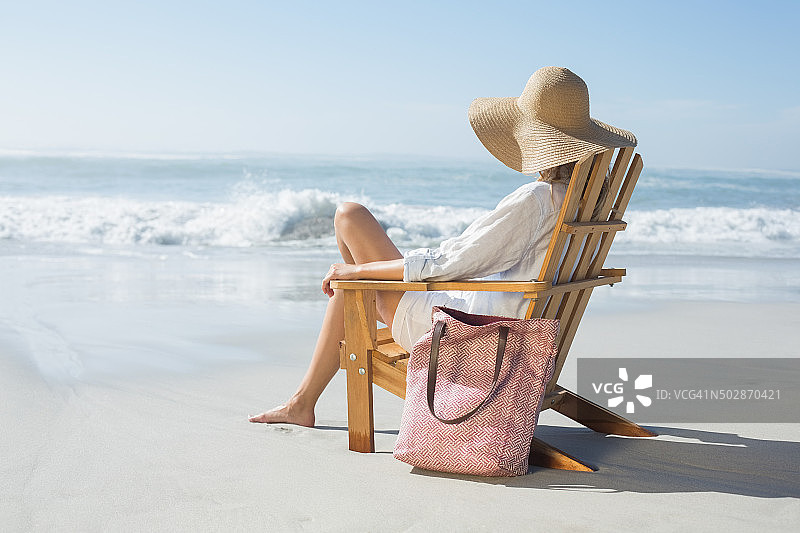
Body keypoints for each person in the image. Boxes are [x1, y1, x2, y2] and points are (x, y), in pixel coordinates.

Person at [249, 66, 636, 427]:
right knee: (356, 275)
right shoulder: (588, 206)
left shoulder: (538, 200)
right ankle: (303, 400)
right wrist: (362, 272)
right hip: (522, 342)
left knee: (349, 217)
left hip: (471, 340)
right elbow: (466, 262)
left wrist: (358, 271)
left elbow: (453, 264)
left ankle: (302, 403)